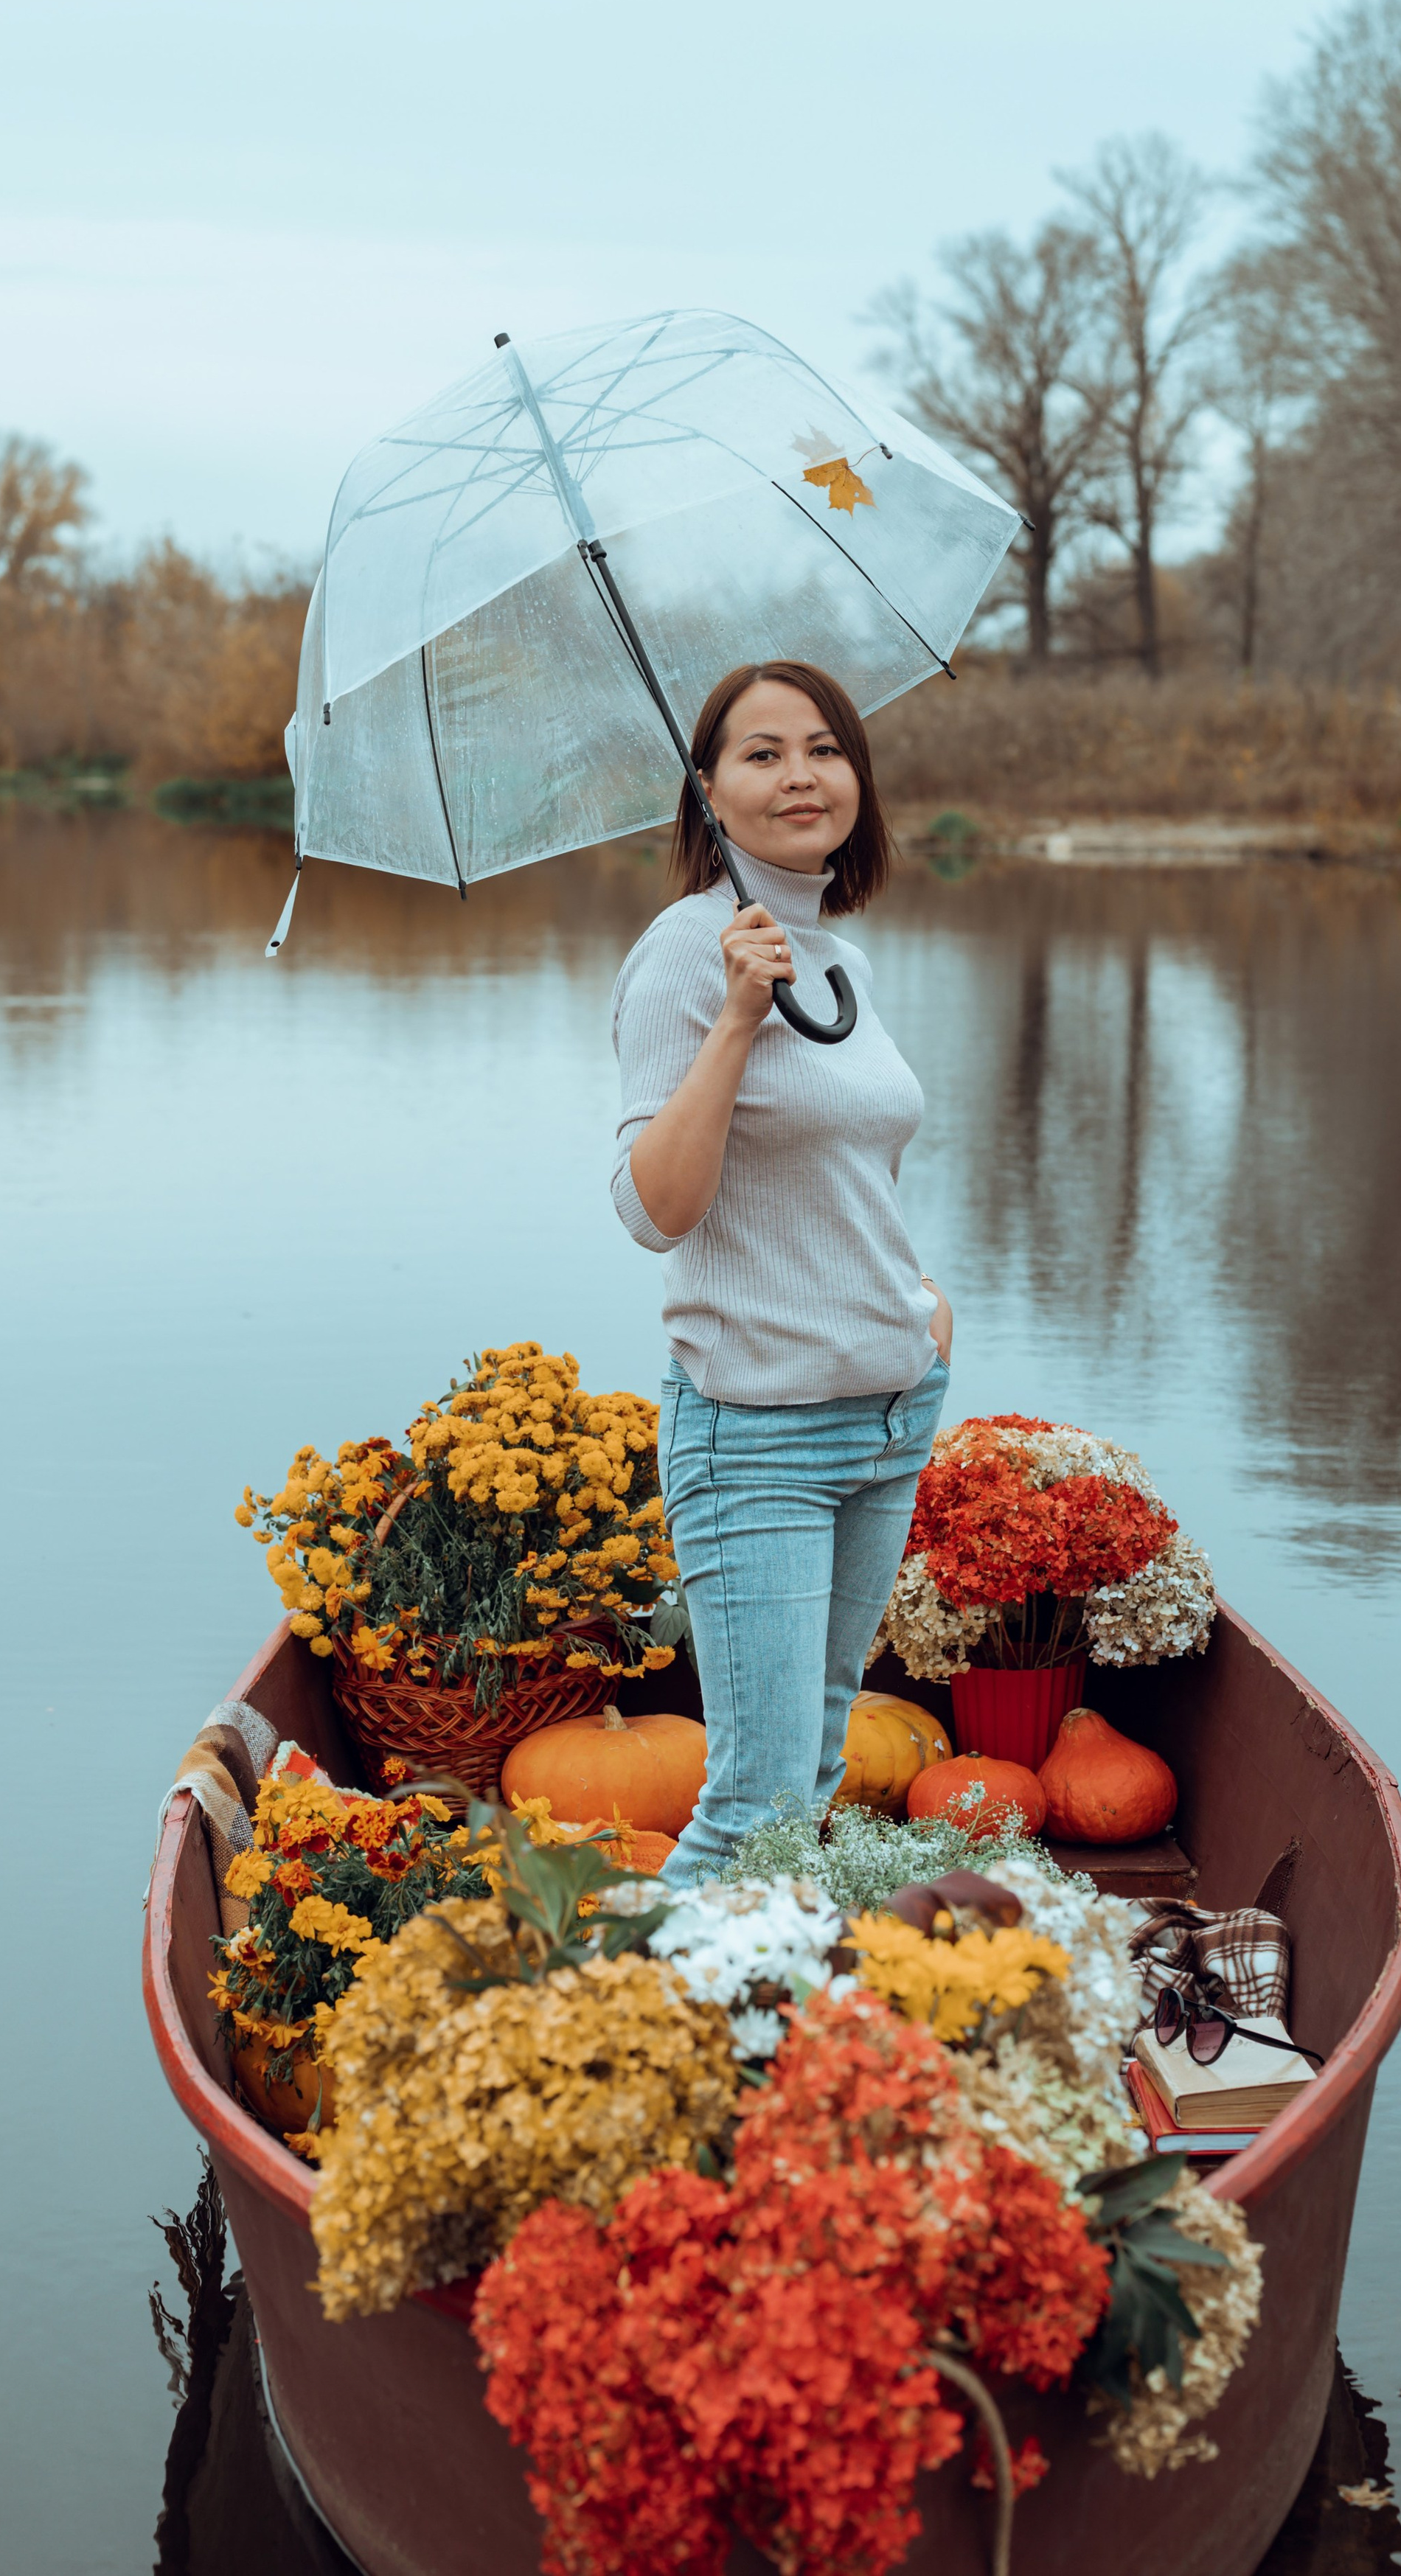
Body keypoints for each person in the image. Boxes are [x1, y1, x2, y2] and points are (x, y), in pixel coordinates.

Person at [610, 658, 951, 1883]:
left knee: (809, 1769)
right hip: (756, 1430)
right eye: (761, 754)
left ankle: (774, 2029)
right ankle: (656, 2049)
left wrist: (921, 1310)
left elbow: (848, 1170)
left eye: (824, 746)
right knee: (753, 1796)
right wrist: (738, 1022)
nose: (801, 775)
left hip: (888, 1411)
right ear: (707, 792)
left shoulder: (836, 955)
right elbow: (653, 1208)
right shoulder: (687, 955)